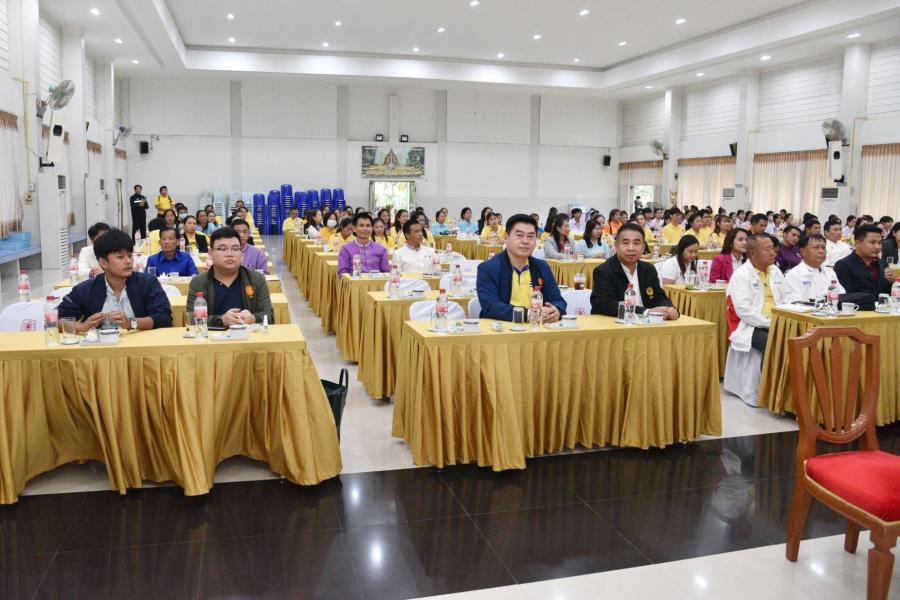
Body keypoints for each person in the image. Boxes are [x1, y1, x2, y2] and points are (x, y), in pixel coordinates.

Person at [58, 229, 172, 332]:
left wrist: (131, 323)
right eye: (120, 257)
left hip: (139, 346)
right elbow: (58, 320)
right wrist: (83, 326)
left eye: (129, 255)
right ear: (103, 263)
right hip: (101, 347)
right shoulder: (86, 289)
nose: (128, 261)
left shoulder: (147, 283)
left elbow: (164, 318)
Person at [476, 214, 565, 321]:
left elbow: (558, 300)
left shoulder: (542, 267)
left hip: (537, 328)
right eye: (519, 235)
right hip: (502, 327)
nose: (525, 241)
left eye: (530, 236)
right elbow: (491, 307)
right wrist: (529, 314)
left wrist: (556, 310)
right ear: (506, 237)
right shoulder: (488, 268)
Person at [186, 227, 274, 328]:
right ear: (211, 253)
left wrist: (253, 319)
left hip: (249, 336)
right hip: (211, 337)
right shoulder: (198, 282)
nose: (230, 254)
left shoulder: (256, 279)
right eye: (223, 249)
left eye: (235, 249)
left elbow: (269, 316)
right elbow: (192, 319)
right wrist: (221, 320)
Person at [590, 223, 678, 319]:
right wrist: (646, 312)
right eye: (625, 243)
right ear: (616, 246)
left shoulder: (648, 269)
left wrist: (669, 308)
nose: (631, 248)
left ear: (643, 247)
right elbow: (606, 305)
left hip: (647, 324)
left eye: (636, 243)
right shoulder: (603, 271)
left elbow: (659, 296)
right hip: (614, 324)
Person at [726, 234, 788, 354]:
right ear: (753, 253)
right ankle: (768, 368)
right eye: (767, 249)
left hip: (778, 321)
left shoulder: (775, 270)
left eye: (773, 248)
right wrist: (770, 323)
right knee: (775, 342)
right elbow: (744, 311)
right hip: (751, 325)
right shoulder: (741, 275)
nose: (773, 253)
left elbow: (787, 298)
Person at [834, 224, 897, 310]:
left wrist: (893, 283)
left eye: (880, 243)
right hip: (858, 312)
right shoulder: (843, 265)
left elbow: (888, 292)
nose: (877, 247)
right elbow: (848, 296)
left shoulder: (883, 264)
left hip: (884, 311)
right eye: (872, 243)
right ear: (857, 244)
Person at [782, 234, 845, 304]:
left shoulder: (830, 272)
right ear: (803, 252)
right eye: (816, 247)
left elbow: (842, 295)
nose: (821, 251)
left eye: (823, 247)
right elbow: (795, 303)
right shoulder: (794, 275)